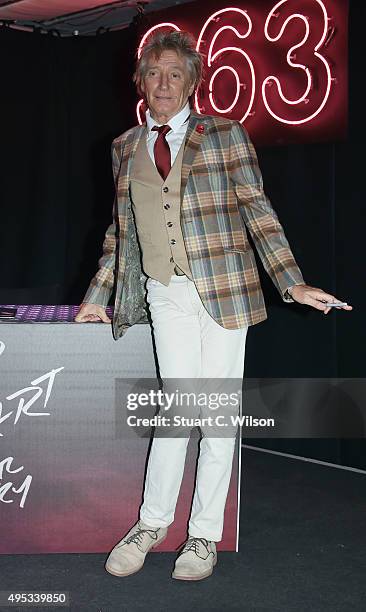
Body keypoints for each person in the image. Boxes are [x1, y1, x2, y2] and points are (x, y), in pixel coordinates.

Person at [75, 30, 352, 581]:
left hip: (225, 287)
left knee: (218, 415)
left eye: (175, 73)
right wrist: (97, 295)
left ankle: (202, 535)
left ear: (193, 83)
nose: (164, 83)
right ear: (141, 82)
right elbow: (120, 229)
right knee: (178, 411)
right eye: (154, 74)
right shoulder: (125, 146)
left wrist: (290, 281)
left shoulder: (225, 134)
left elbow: (258, 210)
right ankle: (152, 523)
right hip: (164, 290)